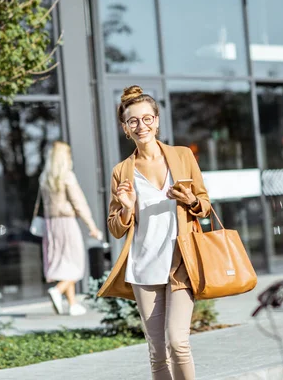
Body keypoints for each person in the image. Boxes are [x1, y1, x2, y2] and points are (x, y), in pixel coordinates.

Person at [96, 85, 211, 379]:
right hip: (144, 269)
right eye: (133, 121)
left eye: (147, 119)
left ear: (157, 121)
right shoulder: (122, 171)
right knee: (157, 354)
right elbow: (115, 228)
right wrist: (125, 208)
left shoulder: (182, 156)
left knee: (178, 342)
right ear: (125, 128)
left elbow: (205, 206)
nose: (141, 126)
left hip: (180, 263)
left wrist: (190, 200)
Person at [39, 141, 103, 316]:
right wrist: (92, 226)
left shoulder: (45, 177)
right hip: (67, 223)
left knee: (64, 263)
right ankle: (58, 291)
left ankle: (73, 305)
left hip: (51, 225)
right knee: (76, 262)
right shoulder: (67, 176)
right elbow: (79, 203)